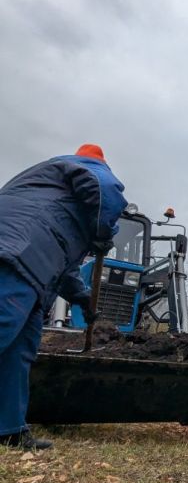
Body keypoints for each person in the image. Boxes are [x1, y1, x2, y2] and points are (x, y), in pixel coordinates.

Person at [0, 145, 127, 450]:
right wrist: (103, 229)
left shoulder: (53, 192)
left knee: (19, 349)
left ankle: (9, 429)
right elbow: (106, 188)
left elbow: (66, 267)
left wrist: (82, 297)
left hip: (33, 261)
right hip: (17, 251)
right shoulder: (89, 168)